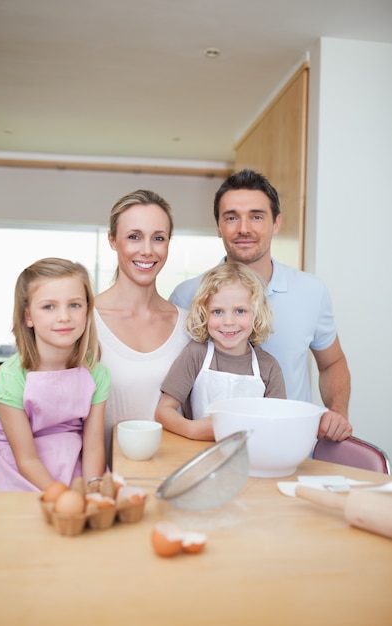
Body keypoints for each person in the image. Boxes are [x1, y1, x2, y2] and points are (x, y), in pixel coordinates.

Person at [169, 169, 352, 442]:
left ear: (276, 223)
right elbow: (173, 386)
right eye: (231, 217)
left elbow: (332, 363)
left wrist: (337, 412)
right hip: (208, 454)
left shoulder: (312, 291)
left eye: (256, 216)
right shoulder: (188, 295)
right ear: (218, 227)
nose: (244, 228)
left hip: (291, 448)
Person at [0, 258, 110, 492]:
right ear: (28, 317)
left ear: (87, 310)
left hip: (76, 468)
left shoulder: (97, 374)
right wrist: (60, 495)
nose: (64, 316)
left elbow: (93, 447)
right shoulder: (10, 377)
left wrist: (92, 488)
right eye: (48, 307)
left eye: (74, 305)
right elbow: (26, 459)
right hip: (22, 473)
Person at [94, 190, 191, 465]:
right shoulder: (85, 321)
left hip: (171, 481)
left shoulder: (189, 325)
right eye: (134, 236)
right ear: (113, 240)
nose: (147, 250)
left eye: (158, 238)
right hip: (103, 486)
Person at [156, 262, 286, 440]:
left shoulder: (268, 367)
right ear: (204, 313)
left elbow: (279, 424)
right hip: (199, 455)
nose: (228, 321)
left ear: (257, 314)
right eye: (217, 311)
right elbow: (163, 411)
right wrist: (193, 430)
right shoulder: (196, 354)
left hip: (252, 458)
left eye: (240, 311)